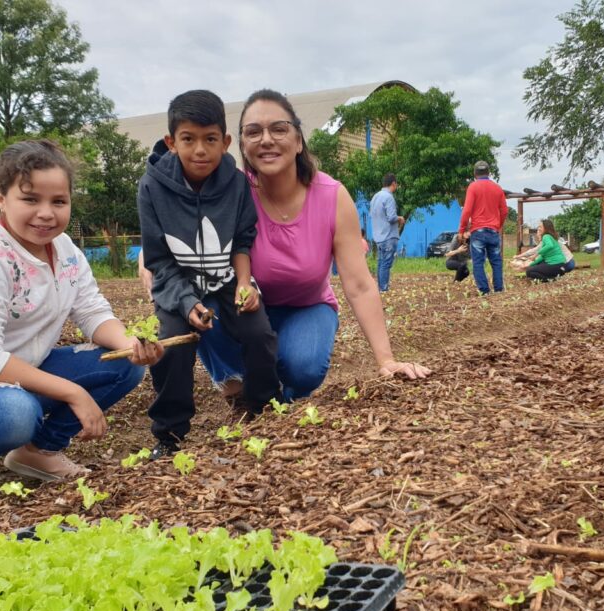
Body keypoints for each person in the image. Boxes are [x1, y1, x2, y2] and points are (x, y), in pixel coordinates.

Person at [0, 139, 163, 520]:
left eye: (58, 201)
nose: (46, 214)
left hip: (13, 372)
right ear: (1, 197)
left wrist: (129, 343)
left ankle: (37, 453)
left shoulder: (67, 250)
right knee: (14, 413)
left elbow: (91, 312)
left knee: (123, 364)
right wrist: (73, 392)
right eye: (30, 199)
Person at [169, 88, 429, 401]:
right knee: (202, 304)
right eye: (254, 132)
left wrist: (386, 360)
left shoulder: (332, 197)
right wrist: (150, 259)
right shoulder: (227, 192)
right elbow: (178, 230)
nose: (266, 139)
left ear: (298, 140)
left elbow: (360, 285)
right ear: (240, 145)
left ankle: (281, 394)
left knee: (302, 367)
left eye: (279, 129)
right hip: (243, 309)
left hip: (305, 307)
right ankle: (236, 388)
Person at [139, 90, 282, 457]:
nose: (199, 150)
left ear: (225, 142)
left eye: (210, 139)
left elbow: (242, 241)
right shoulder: (152, 186)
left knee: (260, 334)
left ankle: (263, 407)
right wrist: (186, 304)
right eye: (188, 139)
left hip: (226, 281)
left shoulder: (236, 184)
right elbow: (159, 260)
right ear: (171, 142)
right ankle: (169, 434)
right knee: (173, 345)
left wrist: (245, 286)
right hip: (177, 287)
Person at [459, 160, 508, 295]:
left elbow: (467, 210)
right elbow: (504, 211)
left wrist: (462, 230)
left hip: (478, 232)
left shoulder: (473, 187)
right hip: (493, 231)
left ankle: (485, 292)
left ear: (475, 174)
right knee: (496, 262)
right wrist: (498, 226)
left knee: (478, 263)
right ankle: (499, 290)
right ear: (489, 173)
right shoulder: (497, 188)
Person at [369, 173, 404, 292]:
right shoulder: (389, 197)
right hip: (388, 236)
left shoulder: (375, 197)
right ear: (393, 183)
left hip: (378, 236)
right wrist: (400, 218)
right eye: (396, 184)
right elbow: (391, 217)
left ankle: (380, 288)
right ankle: (383, 289)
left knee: (380, 262)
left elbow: (372, 215)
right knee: (386, 264)